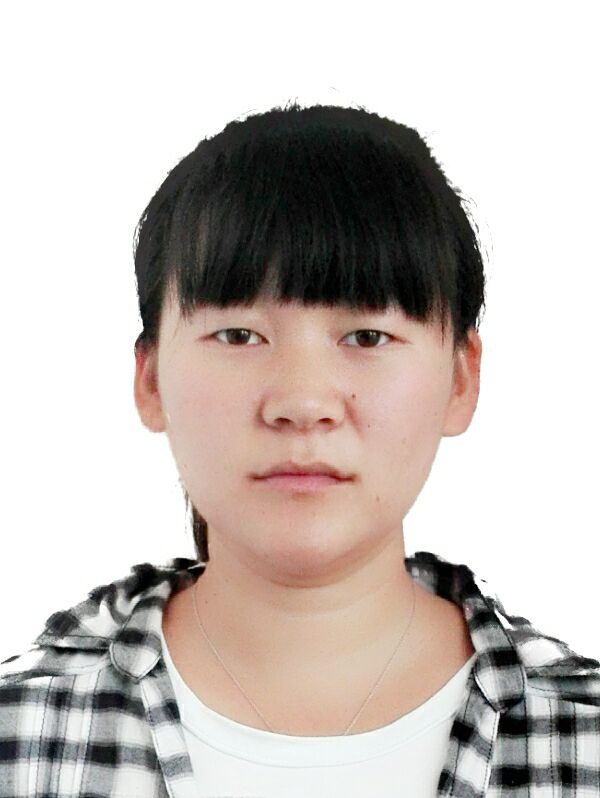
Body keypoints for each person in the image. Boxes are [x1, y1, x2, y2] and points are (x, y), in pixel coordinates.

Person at [1, 102, 599, 797]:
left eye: (367, 337)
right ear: (151, 379)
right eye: (238, 336)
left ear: (461, 380)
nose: (303, 402)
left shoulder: (581, 735)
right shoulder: (21, 734)